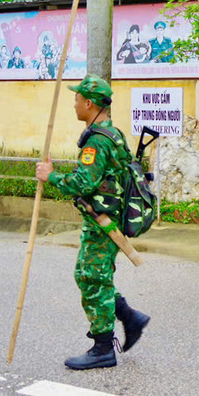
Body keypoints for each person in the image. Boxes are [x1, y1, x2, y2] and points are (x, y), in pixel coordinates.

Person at [35, 74, 150, 369]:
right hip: (104, 219)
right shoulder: (112, 133)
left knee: (90, 277)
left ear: (89, 103)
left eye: (77, 99)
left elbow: (83, 182)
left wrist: (51, 176)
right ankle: (128, 316)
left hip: (104, 223)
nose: (74, 104)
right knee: (92, 276)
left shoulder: (97, 142)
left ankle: (103, 348)